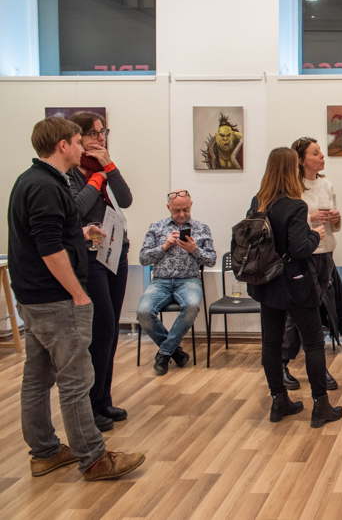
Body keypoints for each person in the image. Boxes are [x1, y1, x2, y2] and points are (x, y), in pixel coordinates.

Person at [7, 116, 145, 480]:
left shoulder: (31, 180)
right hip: (54, 298)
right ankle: (94, 458)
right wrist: (78, 292)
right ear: (63, 145)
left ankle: (45, 452)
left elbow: (46, 235)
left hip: (33, 296)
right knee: (75, 380)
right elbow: (49, 249)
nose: (85, 146)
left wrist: (79, 232)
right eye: (78, 140)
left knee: (37, 378)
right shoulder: (47, 186)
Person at [246, 147, 342, 428]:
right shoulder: (295, 205)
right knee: (313, 343)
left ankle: (279, 401)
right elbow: (300, 249)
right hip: (296, 283)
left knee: (271, 343)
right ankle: (321, 405)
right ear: (291, 169)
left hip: (267, 282)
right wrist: (315, 235)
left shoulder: (258, 201)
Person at [67, 111, 133, 433]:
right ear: (78, 137)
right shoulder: (70, 173)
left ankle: (104, 399)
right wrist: (96, 179)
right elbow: (77, 209)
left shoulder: (104, 167)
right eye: (93, 133)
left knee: (112, 330)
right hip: (90, 258)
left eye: (103, 131)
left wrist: (110, 167)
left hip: (116, 253)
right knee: (101, 330)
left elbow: (126, 199)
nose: (101, 137)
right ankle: (91, 406)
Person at [281, 137, 342, 392]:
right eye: (315, 153)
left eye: (321, 152)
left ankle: (300, 363)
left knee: (313, 309)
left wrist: (336, 218)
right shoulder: (291, 187)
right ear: (301, 160)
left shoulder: (326, 183)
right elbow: (286, 223)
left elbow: (335, 227)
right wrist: (310, 217)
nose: (321, 156)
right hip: (303, 254)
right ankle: (289, 362)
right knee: (301, 311)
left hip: (325, 252)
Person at [137, 189, 217, 376]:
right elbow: (143, 259)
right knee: (143, 312)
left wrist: (195, 250)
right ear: (168, 208)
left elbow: (211, 260)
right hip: (160, 281)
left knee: (192, 305)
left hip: (189, 279)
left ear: (191, 205)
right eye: (176, 210)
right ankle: (175, 352)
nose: (181, 214)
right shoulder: (156, 227)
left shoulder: (202, 228)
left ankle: (165, 353)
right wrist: (164, 246)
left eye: (185, 209)